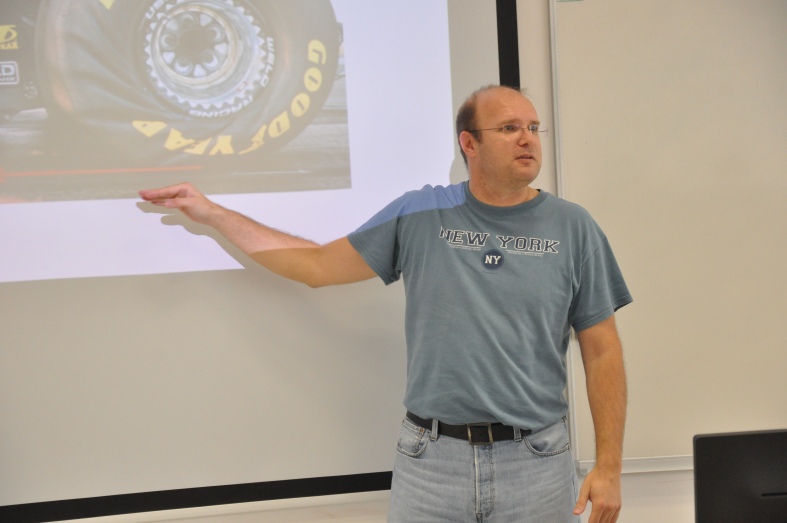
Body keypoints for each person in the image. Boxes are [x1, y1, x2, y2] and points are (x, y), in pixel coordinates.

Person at [140, 85, 631, 523]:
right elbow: (315, 265)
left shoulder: (573, 227)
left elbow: (603, 350)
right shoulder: (421, 212)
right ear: (469, 144)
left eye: (533, 127)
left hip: (537, 463)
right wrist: (211, 213)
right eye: (509, 128)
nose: (527, 139)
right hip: (432, 464)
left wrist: (609, 468)